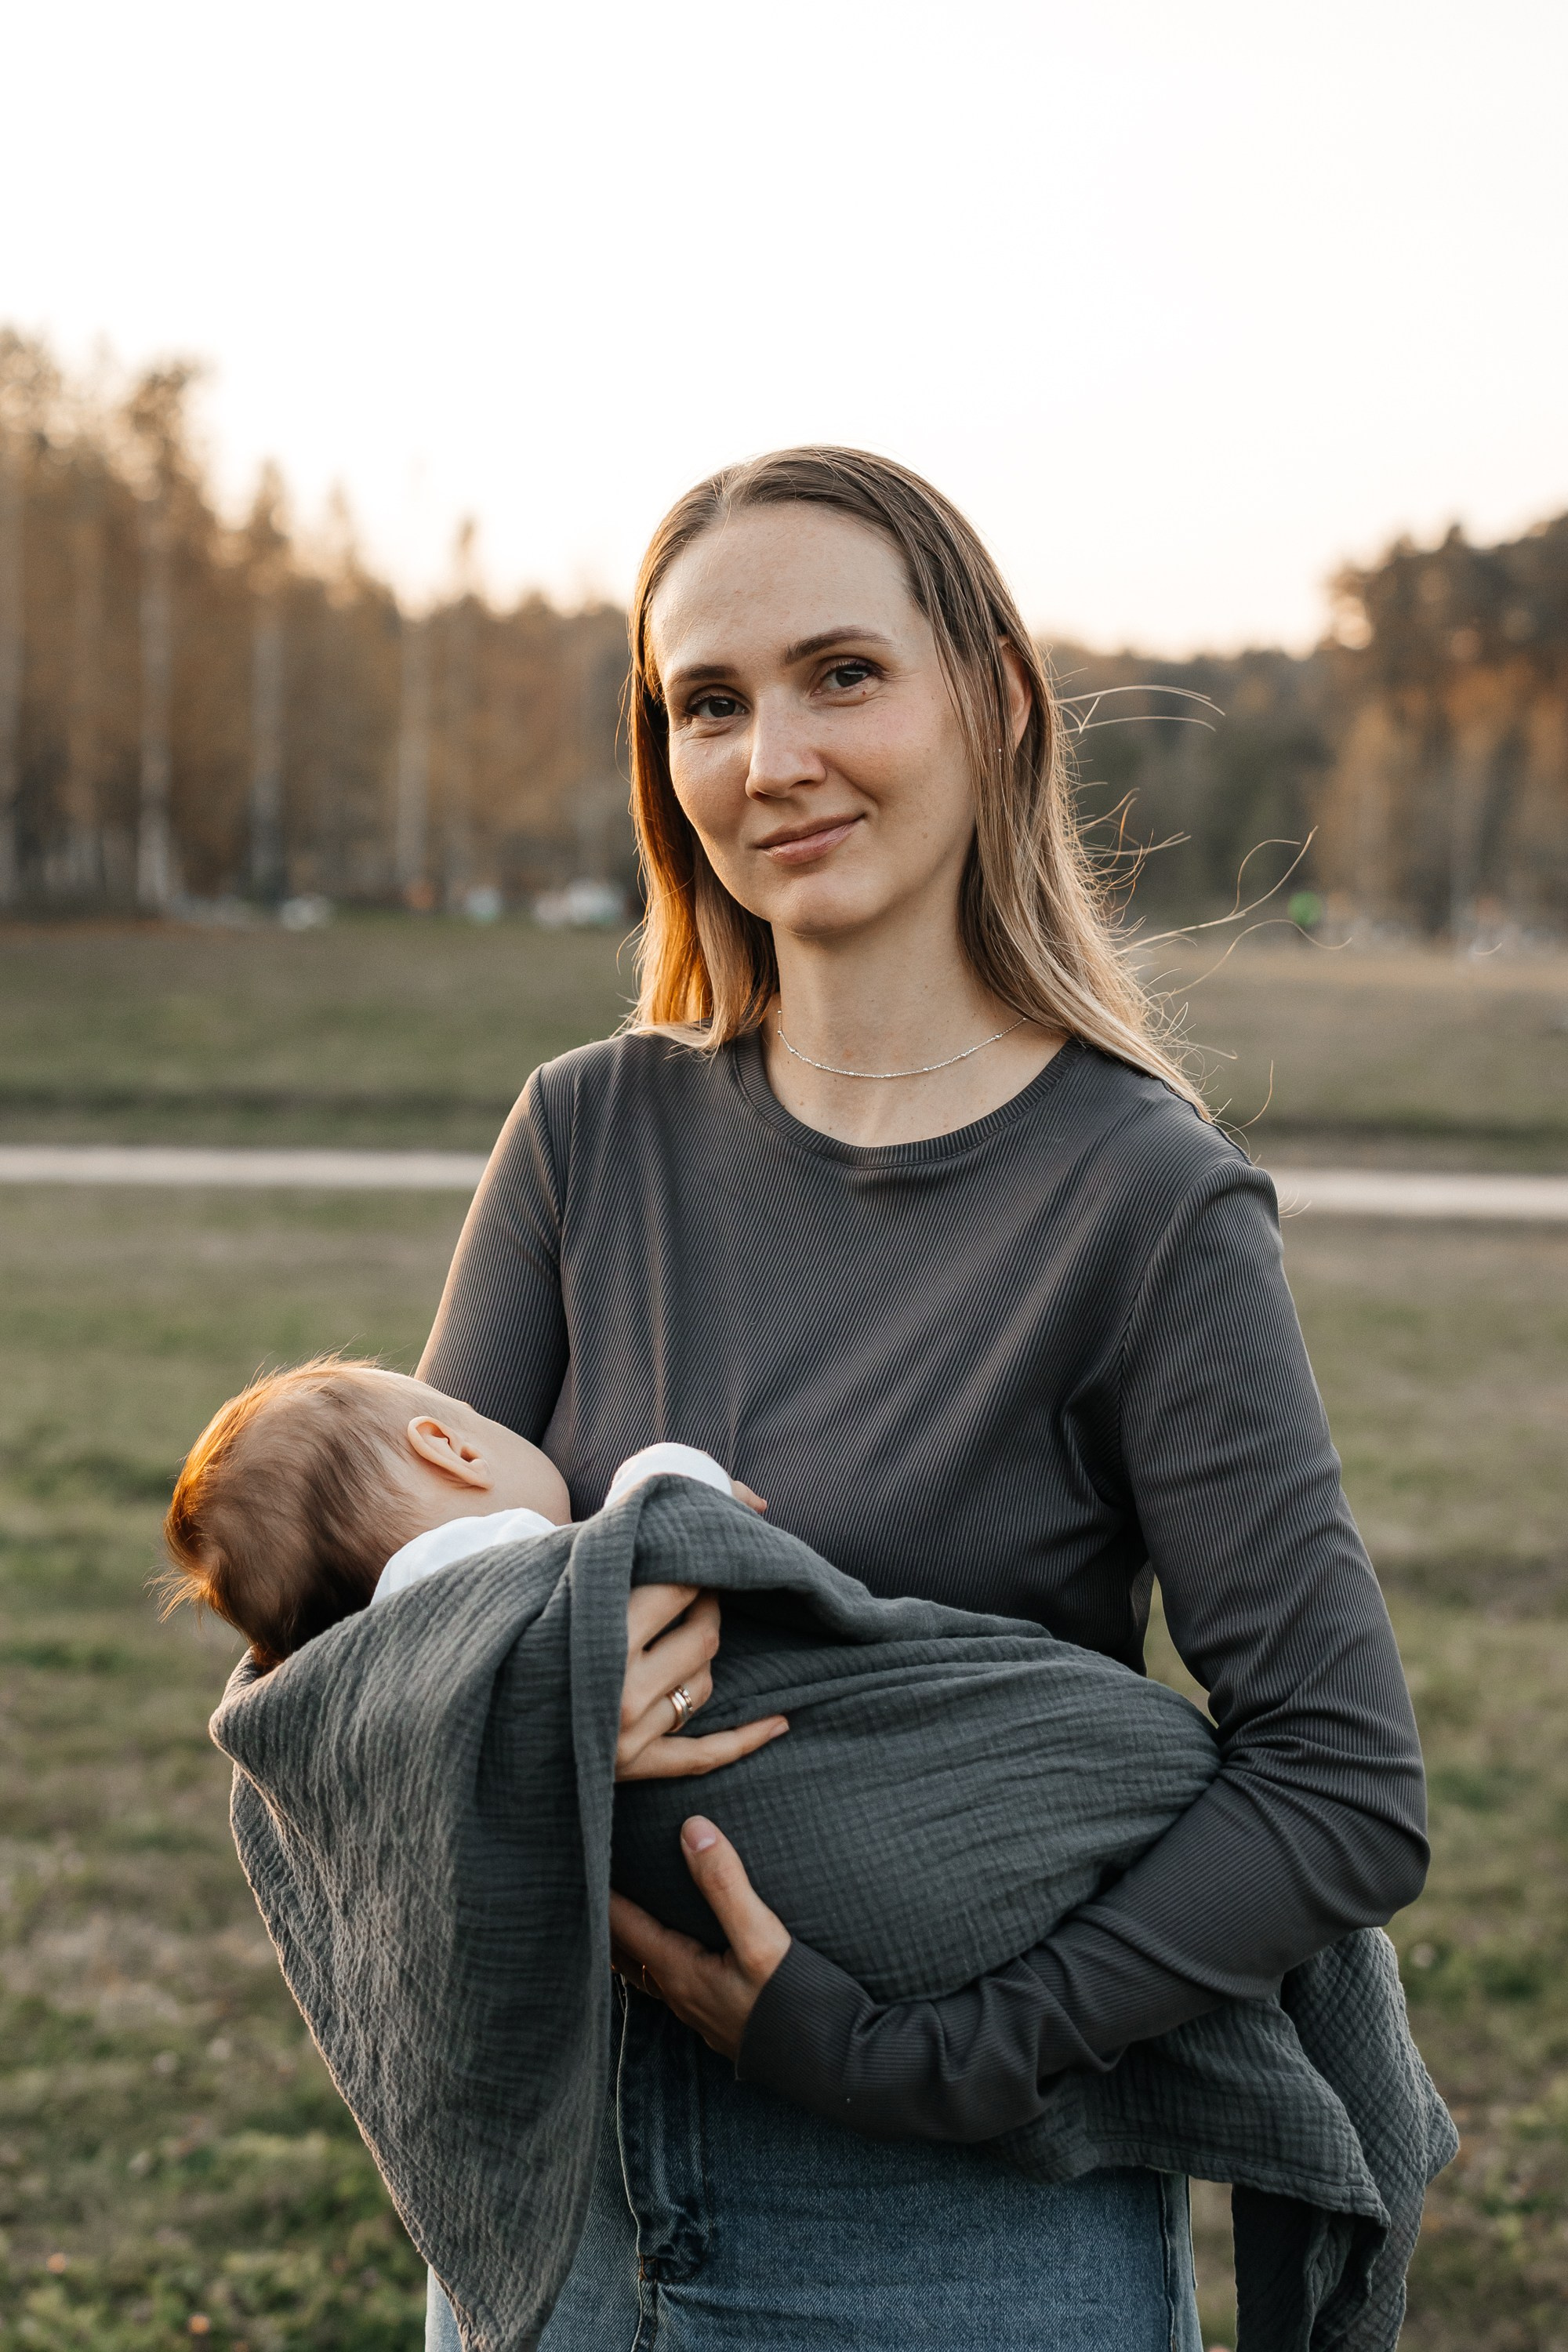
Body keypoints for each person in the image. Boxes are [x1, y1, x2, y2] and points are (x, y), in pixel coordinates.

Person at [415, 447, 1428, 2352]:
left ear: (992, 697)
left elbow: (1340, 1783)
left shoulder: (1140, 1201)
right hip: (553, 2211)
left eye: (839, 674)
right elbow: (364, 1631)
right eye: (705, 703)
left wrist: (927, 2058)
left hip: (947, 2230)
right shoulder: (582, 1136)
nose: (768, 754)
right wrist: (524, 1667)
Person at [161, 1357, 784, 1781]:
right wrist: (668, 1471)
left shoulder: (379, 1667)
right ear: (451, 1449)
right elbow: (636, 1548)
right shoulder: (468, 1564)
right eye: (479, 1418)